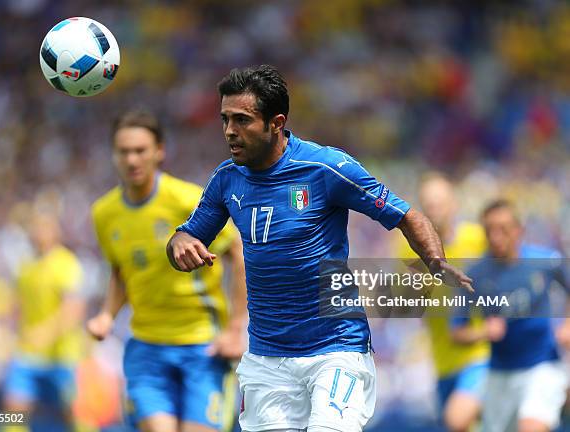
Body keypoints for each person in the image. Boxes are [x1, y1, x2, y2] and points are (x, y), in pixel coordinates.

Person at [167, 64, 473, 432]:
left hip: (336, 348)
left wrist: (436, 263)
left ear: (276, 123)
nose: (230, 131)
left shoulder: (325, 167)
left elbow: (405, 215)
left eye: (242, 120)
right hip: (267, 359)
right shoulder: (226, 179)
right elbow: (187, 236)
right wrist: (180, 245)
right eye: (225, 119)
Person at [87, 109, 247, 432]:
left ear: (159, 151)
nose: (132, 160)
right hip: (146, 347)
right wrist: (107, 313)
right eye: (124, 151)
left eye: (140, 150)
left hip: (202, 345)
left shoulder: (188, 200)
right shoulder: (104, 213)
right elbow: (122, 270)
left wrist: (236, 327)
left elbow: (238, 251)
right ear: (113, 154)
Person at [452, 199, 570, 432]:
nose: (496, 237)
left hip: (542, 365)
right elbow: (457, 332)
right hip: (499, 372)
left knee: (530, 427)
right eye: (489, 230)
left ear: (518, 230)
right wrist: (483, 332)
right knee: (457, 420)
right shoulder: (473, 275)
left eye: (503, 229)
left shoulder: (545, 261)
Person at [396, 172, 489, 431]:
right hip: (442, 359)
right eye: (428, 204)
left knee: (457, 418)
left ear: (454, 204)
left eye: (439, 202)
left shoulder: (479, 239)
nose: (434, 210)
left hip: (480, 352)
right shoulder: (407, 248)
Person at [3, 211, 86, 431]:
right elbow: (18, 306)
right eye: (35, 227)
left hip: (61, 355)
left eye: (44, 227)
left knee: (73, 414)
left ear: (55, 232)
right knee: (14, 411)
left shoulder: (65, 263)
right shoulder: (25, 267)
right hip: (28, 352)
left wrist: (45, 333)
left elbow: (74, 309)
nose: (37, 232)